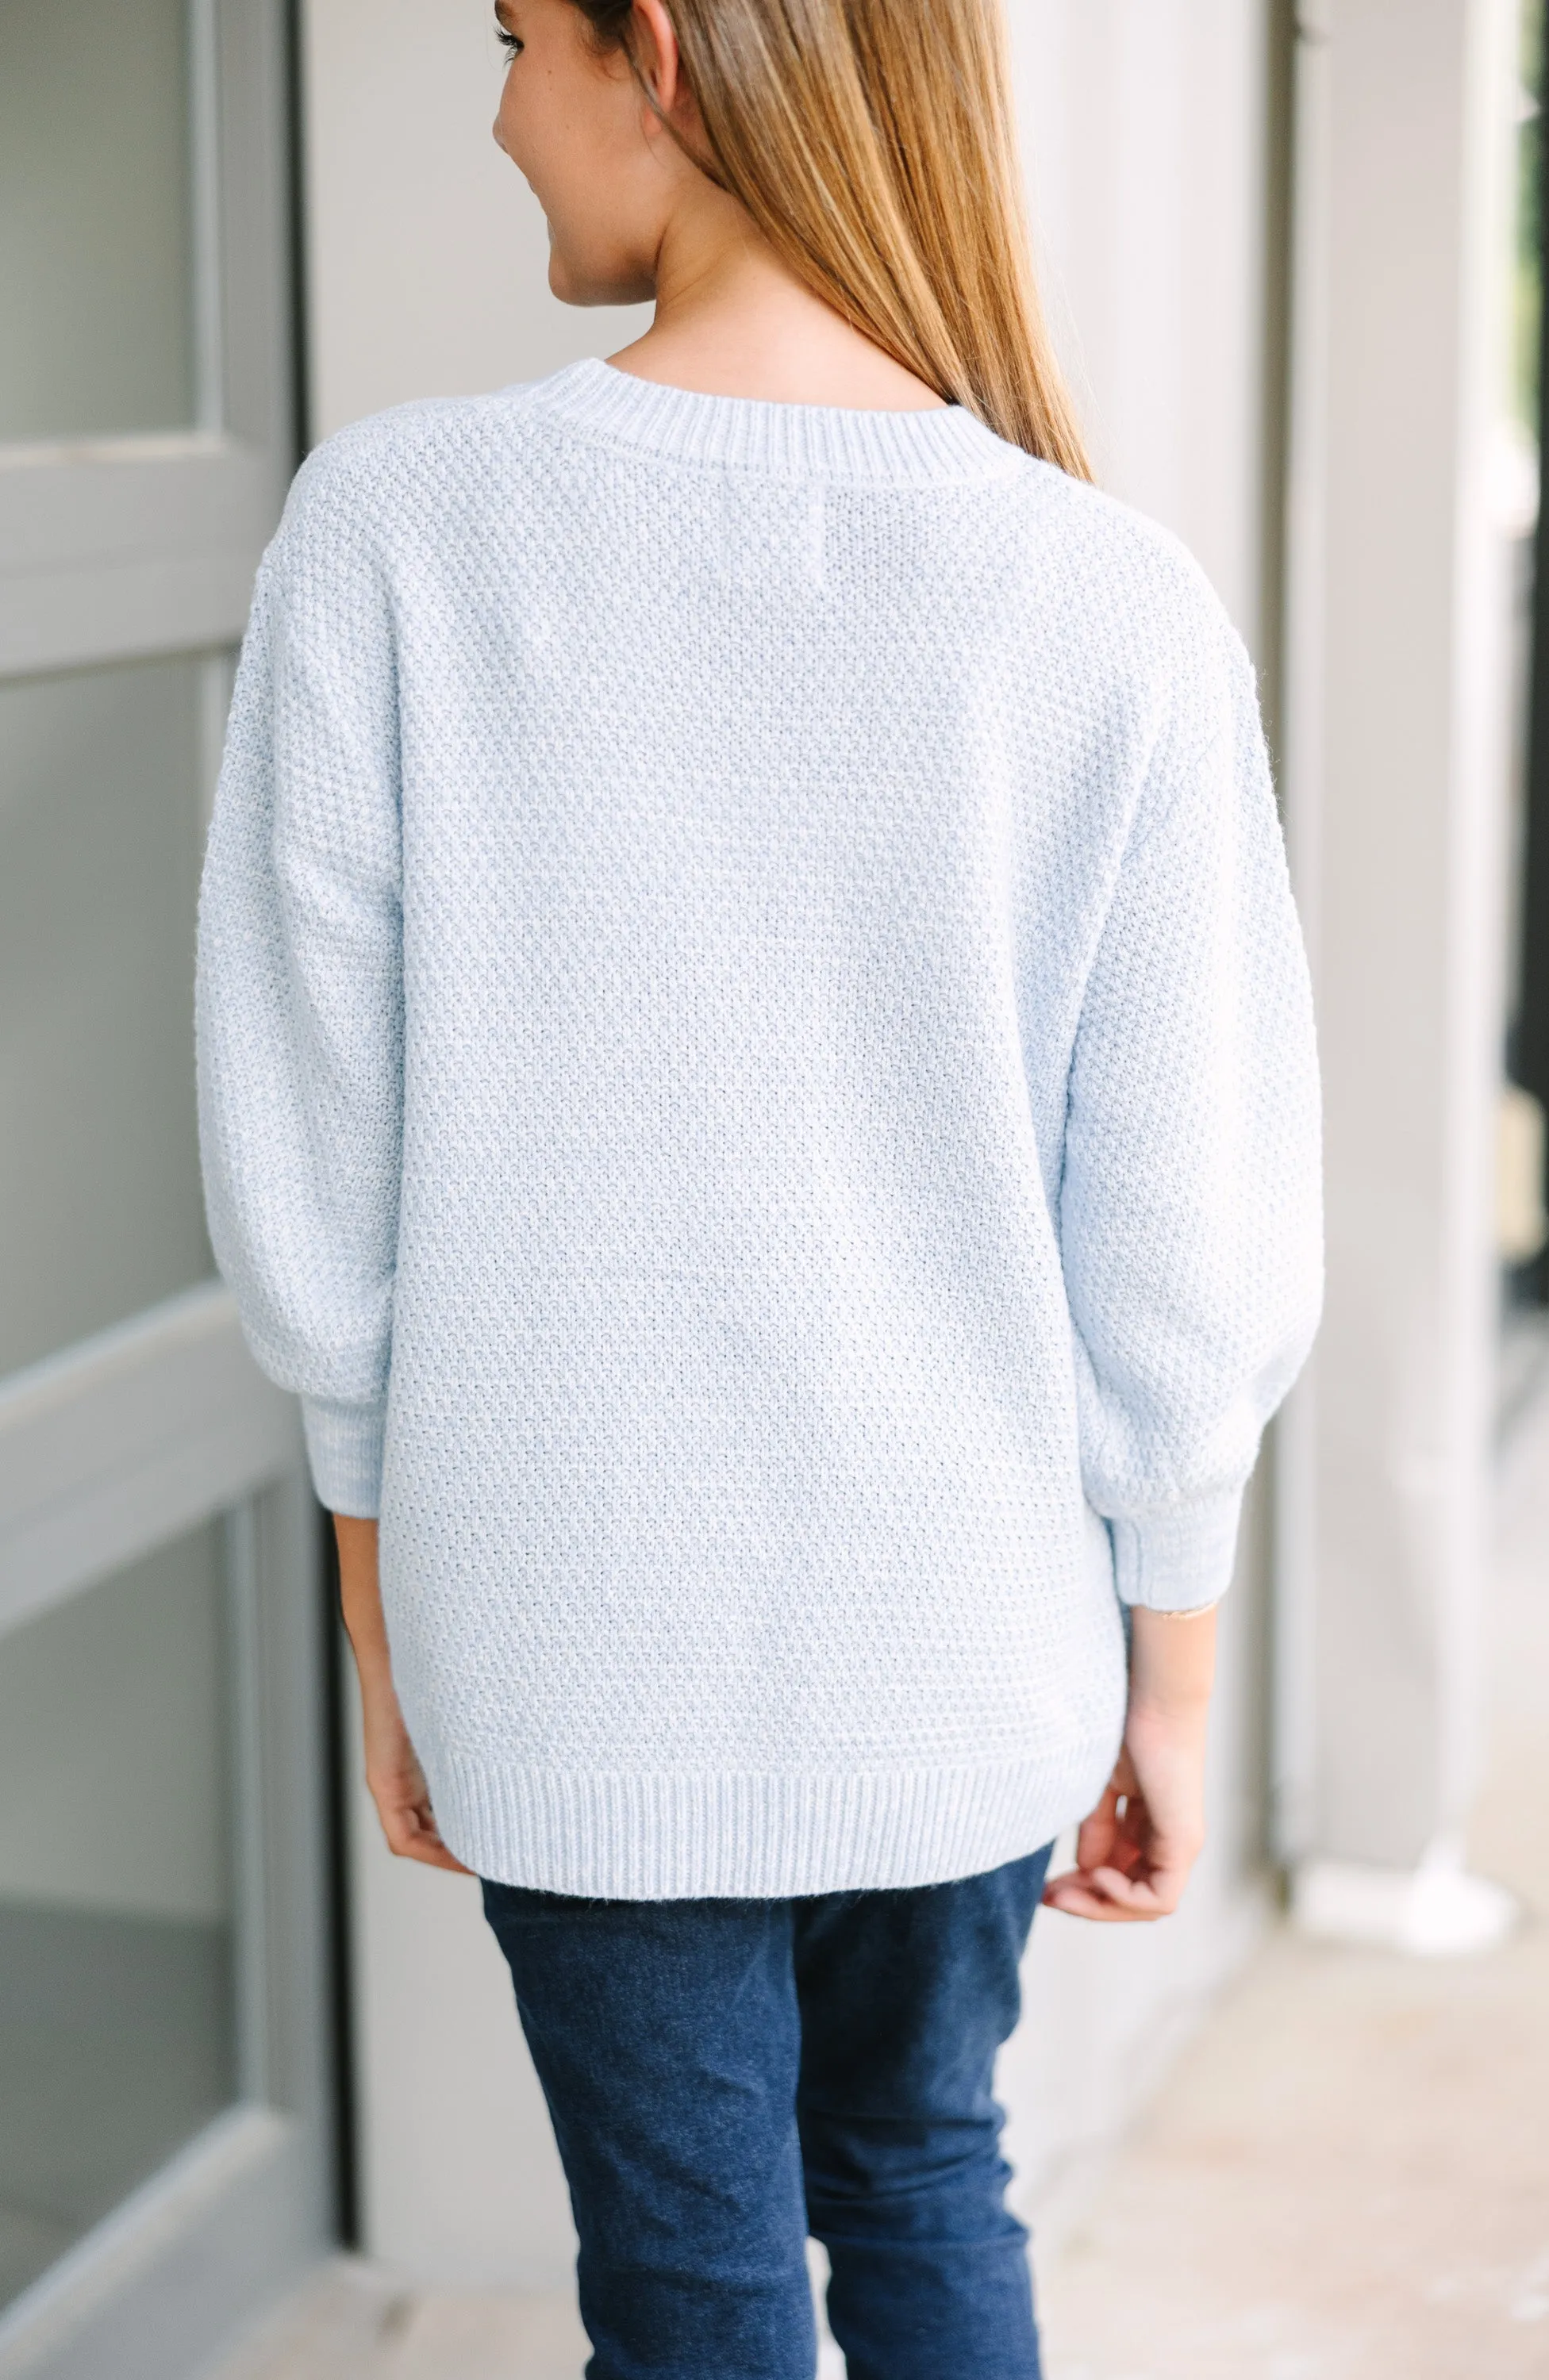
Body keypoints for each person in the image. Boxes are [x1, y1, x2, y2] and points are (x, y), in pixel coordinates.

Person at [195, 0, 1323, 2370]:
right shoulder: (1107, 601)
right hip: (974, 1652)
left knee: (692, 2287)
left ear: (666, 54)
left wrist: (394, 1609)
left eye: (514, 38)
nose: (500, 107)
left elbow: (318, 1180)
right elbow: (1184, 1230)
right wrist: (1176, 1677)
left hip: (575, 1638)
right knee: (925, 2182)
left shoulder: (393, 535)